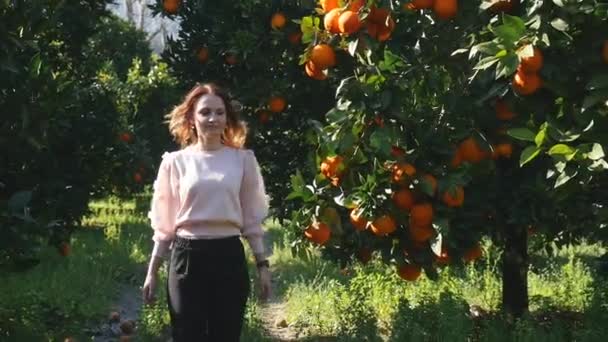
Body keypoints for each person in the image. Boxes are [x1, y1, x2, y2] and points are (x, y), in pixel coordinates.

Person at [141, 83, 272, 341]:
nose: (213, 118)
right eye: (205, 112)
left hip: (228, 257)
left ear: (227, 118)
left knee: (226, 334)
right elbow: (164, 224)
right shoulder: (174, 163)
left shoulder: (243, 160)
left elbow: (252, 218)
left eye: (219, 112)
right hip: (186, 259)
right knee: (187, 334)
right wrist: (152, 270)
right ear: (192, 118)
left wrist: (262, 265)